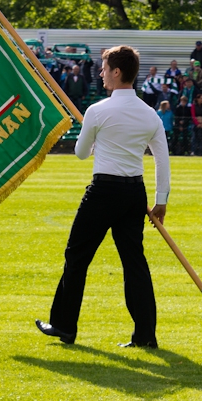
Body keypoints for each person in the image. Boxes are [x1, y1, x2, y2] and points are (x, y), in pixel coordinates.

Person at [35, 45, 169, 349]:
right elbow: (163, 160)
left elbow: (81, 154)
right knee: (135, 263)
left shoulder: (96, 111)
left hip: (103, 191)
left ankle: (64, 326)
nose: (101, 72)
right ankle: (145, 335)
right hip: (135, 192)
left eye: (104, 67)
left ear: (117, 72)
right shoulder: (150, 115)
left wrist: (94, 140)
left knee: (77, 257)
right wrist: (161, 201)